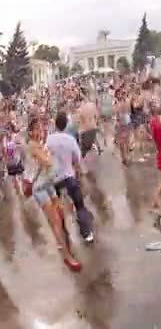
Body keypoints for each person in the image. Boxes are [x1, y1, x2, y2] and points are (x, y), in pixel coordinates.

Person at [26, 118, 81, 272]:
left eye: (41, 128)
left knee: (61, 214)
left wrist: (48, 154)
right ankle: (67, 257)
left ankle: (62, 242)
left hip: (49, 184)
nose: (40, 131)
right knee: (56, 220)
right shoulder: (32, 145)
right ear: (30, 132)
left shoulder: (41, 144)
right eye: (36, 129)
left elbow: (49, 160)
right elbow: (48, 162)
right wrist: (48, 155)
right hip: (40, 189)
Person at [47, 112, 95, 243]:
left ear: (55, 124)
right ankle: (86, 233)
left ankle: (63, 233)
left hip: (54, 178)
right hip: (69, 176)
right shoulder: (70, 140)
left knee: (57, 206)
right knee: (79, 205)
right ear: (66, 124)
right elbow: (77, 158)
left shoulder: (49, 140)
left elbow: (46, 158)